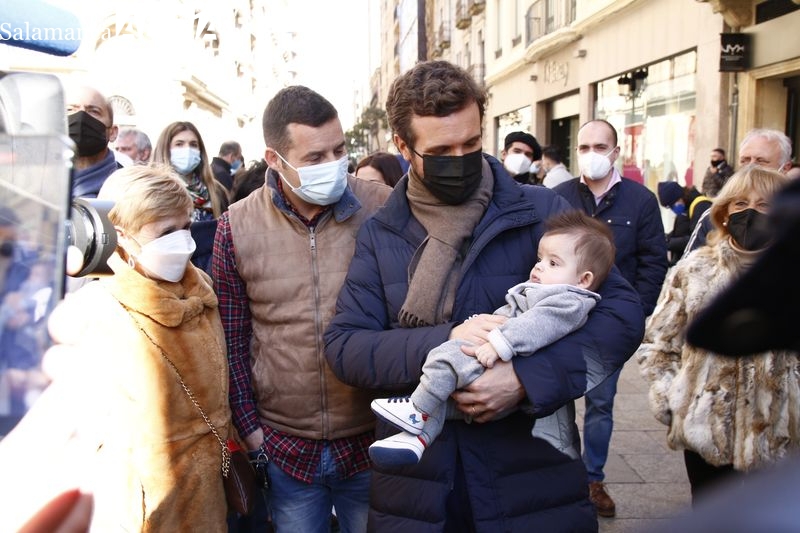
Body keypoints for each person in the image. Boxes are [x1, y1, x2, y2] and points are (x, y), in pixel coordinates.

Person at [324, 60, 644, 532]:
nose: (460, 157)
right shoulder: (381, 233)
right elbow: (346, 347)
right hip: (419, 488)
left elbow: (622, 315)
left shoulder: (541, 211)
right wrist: (447, 338)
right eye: (441, 149)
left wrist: (525, 378)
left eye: (471, 143)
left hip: (531, 479)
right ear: (404, 147)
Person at [0, 164, 233, 531]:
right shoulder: (96, 309)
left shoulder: (200, 288)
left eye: (185, 227)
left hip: (207, 498)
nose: (182, 241)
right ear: (122, 236)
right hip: (137, 509)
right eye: (165, 231)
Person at [211, 85, 391, 533]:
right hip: (285, 449)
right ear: (275, 159)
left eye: (339, 150)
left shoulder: (382, 207)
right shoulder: (236, 225)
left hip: (371, 439)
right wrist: (252, 431)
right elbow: (231, 339)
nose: (332, 165)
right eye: (314, 158)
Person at [368, 210, 616, 467]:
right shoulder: (548, 292)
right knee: (444, 399)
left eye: (554, 263)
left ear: (584, 279)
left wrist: (500, 344)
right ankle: (416, 440)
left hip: (497, 359)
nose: (540, 266)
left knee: (444, 357)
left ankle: (416, 409)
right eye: (540, 259)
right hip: (494, 362)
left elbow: (537, 326)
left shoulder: (569, 301)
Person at [636, 165, 798, 504]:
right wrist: (673, 401)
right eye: (739, 204)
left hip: (779, 437)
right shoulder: (695, 270)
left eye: (764, 204)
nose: (750, 212)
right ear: (723, 213)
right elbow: (659, 346)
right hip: (707, 433)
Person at [553, 119, 668, 517]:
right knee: (554, 400)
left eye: (599, 146)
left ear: (616, 152)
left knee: (601, 402)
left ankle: (592, 479)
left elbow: (654, 261)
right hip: (560, 320)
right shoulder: (560, 196)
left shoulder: (640, 200)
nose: (591, 154)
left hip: (609, 325)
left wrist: (636, 312)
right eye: (583, 147)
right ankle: (558, 476)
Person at [684, 128, 793, 254]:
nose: (751, 167)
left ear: (785, 168)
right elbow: (687, 269)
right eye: (744, 160)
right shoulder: (716, 215)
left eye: (761, 161)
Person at [152, 121, 229, 272]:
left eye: (193, 144)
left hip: (212, 271)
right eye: (179, 144)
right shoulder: (153, 191)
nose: (187, 149)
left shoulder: (217, 191)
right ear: (166, 149)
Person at [65, 84, 122, 198]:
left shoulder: (127, 188)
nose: (81, 117)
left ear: (112, 132)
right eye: (70, 109)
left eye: (94, 111)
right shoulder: (37, 183)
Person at [657, 181, 711, 266]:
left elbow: (696, 239)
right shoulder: (686, 208)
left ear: (679, 196)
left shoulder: (700, 205)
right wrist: (665, 237)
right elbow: (681, 231)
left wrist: (668, 243)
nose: (673, 209)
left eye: (672, 205)